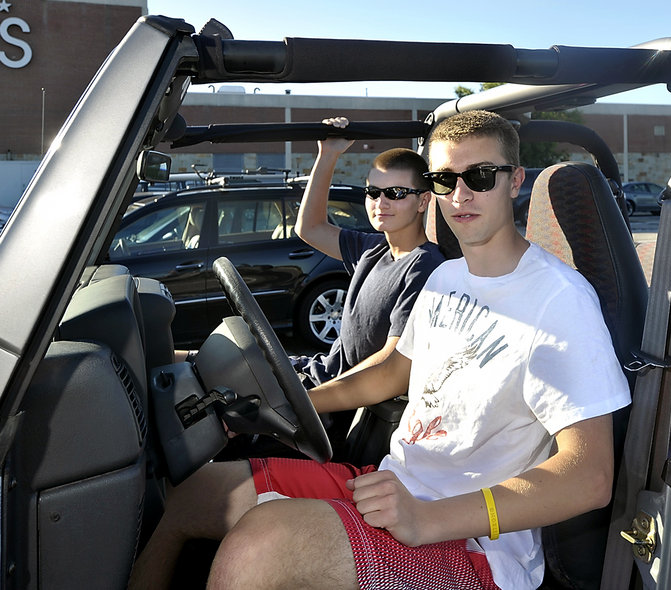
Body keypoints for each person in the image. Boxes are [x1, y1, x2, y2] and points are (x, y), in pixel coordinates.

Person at [129, 110, 631, 590]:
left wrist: (428, 517)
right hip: (388, 485)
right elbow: (393, 370)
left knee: (262, 546)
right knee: (193, 494)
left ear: (515, 180)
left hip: (474, 543)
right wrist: (296, 401)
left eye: (479, 176)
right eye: (442, 181)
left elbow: (588, 476)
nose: (459, 194)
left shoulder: (560, 301)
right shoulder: (445, 277)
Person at [290, 117, 445, 390]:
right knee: (203, 362)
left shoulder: (425, 267)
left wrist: (314, 399)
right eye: (373, 192)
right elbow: (309, 228)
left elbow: (390, 363)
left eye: (395, 193)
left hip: (335, 398)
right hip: (317, 371)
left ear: (423, 201)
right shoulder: (372, 248)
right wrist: (328, 154)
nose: (380, 202)